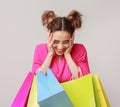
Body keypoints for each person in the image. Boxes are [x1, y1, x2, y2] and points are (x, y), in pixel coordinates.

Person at [32, 10, 90, 83]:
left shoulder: (79, 49)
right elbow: (36, 80)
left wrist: (68, 55)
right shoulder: (40, 50)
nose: (60, 47)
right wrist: (50, 54)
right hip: (48, 95)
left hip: (73, 94)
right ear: (49, 36)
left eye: (65, 42)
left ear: (72, 37)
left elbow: (85, 81)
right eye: (56, 42)